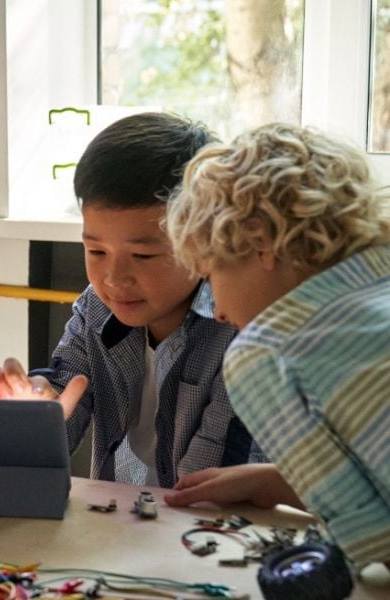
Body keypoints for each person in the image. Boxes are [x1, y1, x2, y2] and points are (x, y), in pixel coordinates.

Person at [0, 112, 265, 487]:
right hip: (127, 529)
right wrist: (34, 420)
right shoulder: (97, 308)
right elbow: (64, 393)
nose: (113, 279)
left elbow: (205, 499)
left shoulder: (239, 332)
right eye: (95, 251)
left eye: (143, 256)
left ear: (204, 240)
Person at [163, 122, 390, 567]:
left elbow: (374, 545)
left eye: (212, 276)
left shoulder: (267, 353)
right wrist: (276, 481)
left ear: (260, 241)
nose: (220, 311)